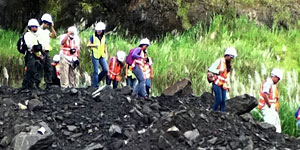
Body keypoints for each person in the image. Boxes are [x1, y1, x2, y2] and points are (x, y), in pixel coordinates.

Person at [208, 47, 237, 112]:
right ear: (227, 55)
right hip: (216, 83)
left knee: (223, 101)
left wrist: (228, 85)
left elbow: (227, 76)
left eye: (232, 57)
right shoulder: (220, 61)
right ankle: (212, 111)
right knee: (219, 99)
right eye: (231, 56)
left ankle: (222, 115)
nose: (231, 58)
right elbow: (210, 69)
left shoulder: (228, 64)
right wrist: (218, 71)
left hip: (223, 85)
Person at [258, 68, 283, 133]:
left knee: (277, 125)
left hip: (272, 107)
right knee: (270, 125)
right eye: (278, 79)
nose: (278, 81)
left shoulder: (272, 84)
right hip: (267, 107)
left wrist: (275, 107)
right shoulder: (268, 83)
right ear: (275, 76)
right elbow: (264, 94)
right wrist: (269, 105)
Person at [22, 18, 43, 89]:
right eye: (35, 27)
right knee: (30, 70)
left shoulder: (35, 35)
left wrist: (39, 54)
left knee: (37, 69)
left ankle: (34, 85)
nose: (36, 28)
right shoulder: (28, 35)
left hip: (36, 54)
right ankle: (25, 86)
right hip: (30, 54)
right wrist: (36, 53)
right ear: (31, 27)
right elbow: (30, 47)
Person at [38, 13, 57, 89]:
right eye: (47, 24)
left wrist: (52, 27)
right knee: (39, 68)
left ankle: (48, 84)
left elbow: (54, 36)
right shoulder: (38, 30)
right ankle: (37, 84)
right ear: (44, 22)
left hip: (47, 51)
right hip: (40, 51)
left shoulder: (47, 31)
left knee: (48, 68)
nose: (48, 25)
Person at [87, 22, 108, 88]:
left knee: (105, 70)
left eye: (100, 30)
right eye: (97, 30)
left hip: (102, 55)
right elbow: (88, 45)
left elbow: (105, 45)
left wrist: (106, 53)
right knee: (96, 71)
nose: (98, 31)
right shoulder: (93, 36)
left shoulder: (104, 37)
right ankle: (95, 86)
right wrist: (94, 45)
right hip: (95, 55)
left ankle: (96, 81)